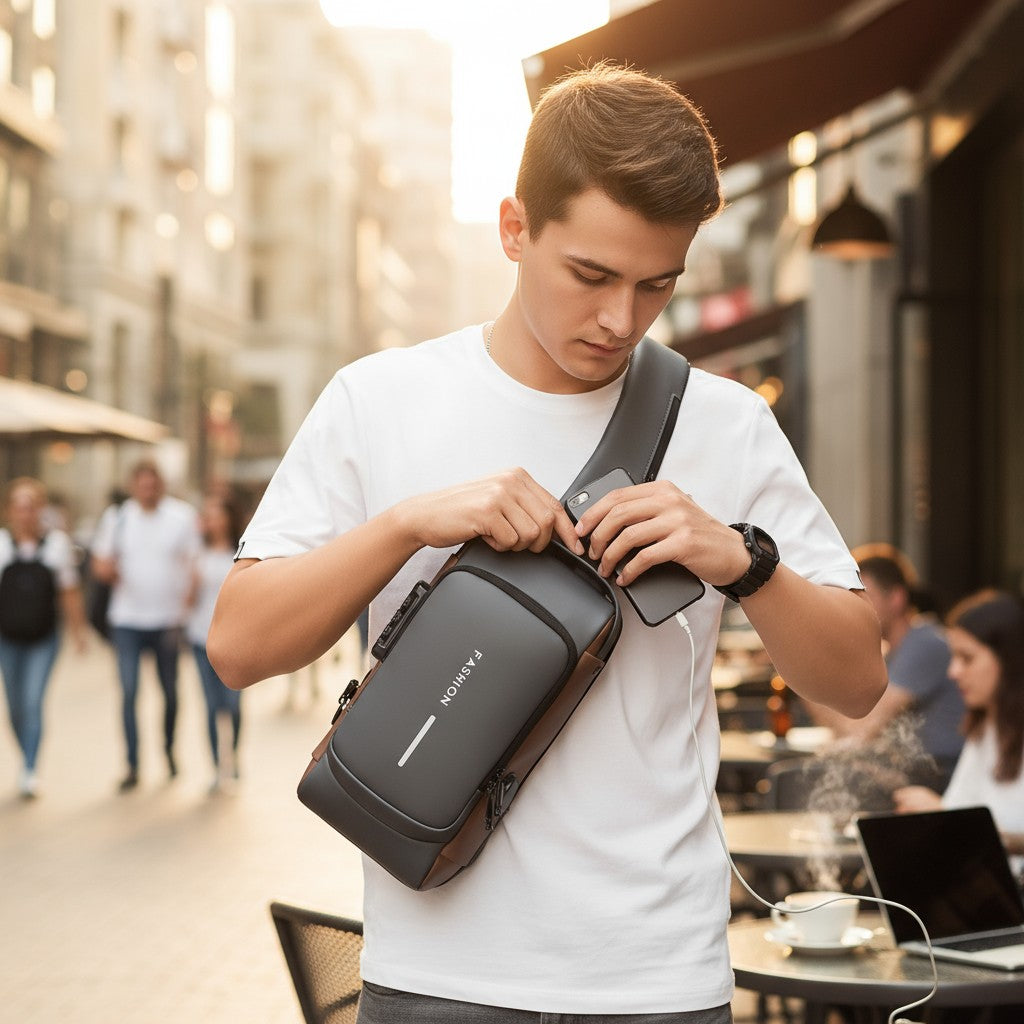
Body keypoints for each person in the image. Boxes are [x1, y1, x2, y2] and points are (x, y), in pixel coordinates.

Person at [209, 63, 886, 1024]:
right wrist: (408, 524)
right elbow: (238, 647)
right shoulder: (380, 399)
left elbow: (858, 682)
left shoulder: (725, 423)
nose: (620, 320)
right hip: (438, 975)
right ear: (514, 228)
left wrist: (742, 559)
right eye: (592, 275)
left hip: (657, 979)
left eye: (658, 284)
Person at [806, 547, 964, 787]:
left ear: (896, 599)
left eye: (862, 597)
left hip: (942, 781)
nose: (852, 608)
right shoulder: (894, 651)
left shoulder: (924, 644)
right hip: (917, 773)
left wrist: (802, 666)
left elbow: (858, 732)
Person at [894, 589, 1024, 874]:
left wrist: (944, 816)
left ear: (1010, 660)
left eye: (967, 658)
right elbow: (958, 814)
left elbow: (961, 819)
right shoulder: (986, 727)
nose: (953, 672)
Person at [91, 460, 200, 792]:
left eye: (153, 484)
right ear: (133, 486)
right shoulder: (118, 518)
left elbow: (194, 564)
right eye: (142, 485)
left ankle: (168, 751)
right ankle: (132, 764)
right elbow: (100, 564)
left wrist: (185, 609)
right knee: (128, 691)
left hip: (167, 621)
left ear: (161, 485)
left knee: (169, 693)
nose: (147, 490)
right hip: (127, 620)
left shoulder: (181, 517)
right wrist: (108, 570)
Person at [0, 477, 87, 798]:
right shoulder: (1, 544)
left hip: (43, 638)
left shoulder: (56, 545)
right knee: (14, 708)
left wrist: (79, 633)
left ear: (39, 509)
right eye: (18, 506)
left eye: (30, 506)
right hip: (7, 639)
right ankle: (26, 756)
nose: (24, 513)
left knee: (33, 701)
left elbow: (69, 592)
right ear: (10, 510)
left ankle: (30, 769)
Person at [186, 492, 244, 794]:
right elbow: (188, 600)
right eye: (208, 515)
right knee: (210, 707)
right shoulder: (198, 554)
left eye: (217, 513)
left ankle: (232, 760)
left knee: (232, 706)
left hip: (235, 642)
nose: (212, 520)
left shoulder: (243, 553)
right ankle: (215, 768)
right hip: (200, 639)